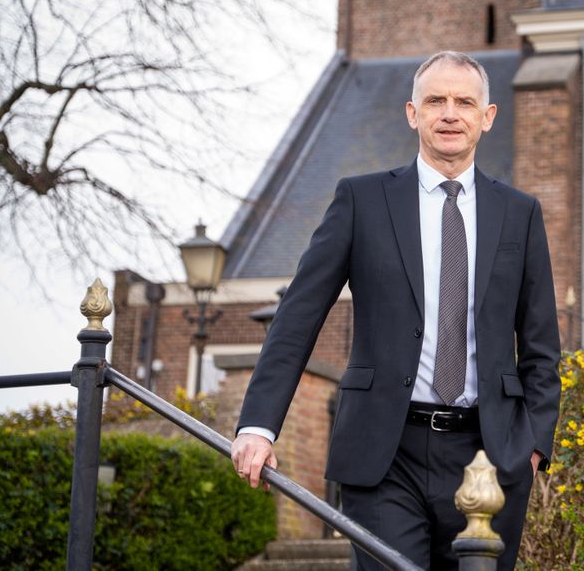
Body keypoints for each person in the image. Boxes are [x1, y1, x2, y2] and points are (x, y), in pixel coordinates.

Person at [230, 50, 561, 570]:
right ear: (412, 113)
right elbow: (297, 317)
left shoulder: (520, 213)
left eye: (464, 102)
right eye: (435, 101)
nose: (449, 113)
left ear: (487, 117)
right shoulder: (361, 201)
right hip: (384, 454)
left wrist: (533, 445)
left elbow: (542, 344)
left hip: (490, 456)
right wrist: (257, 425)